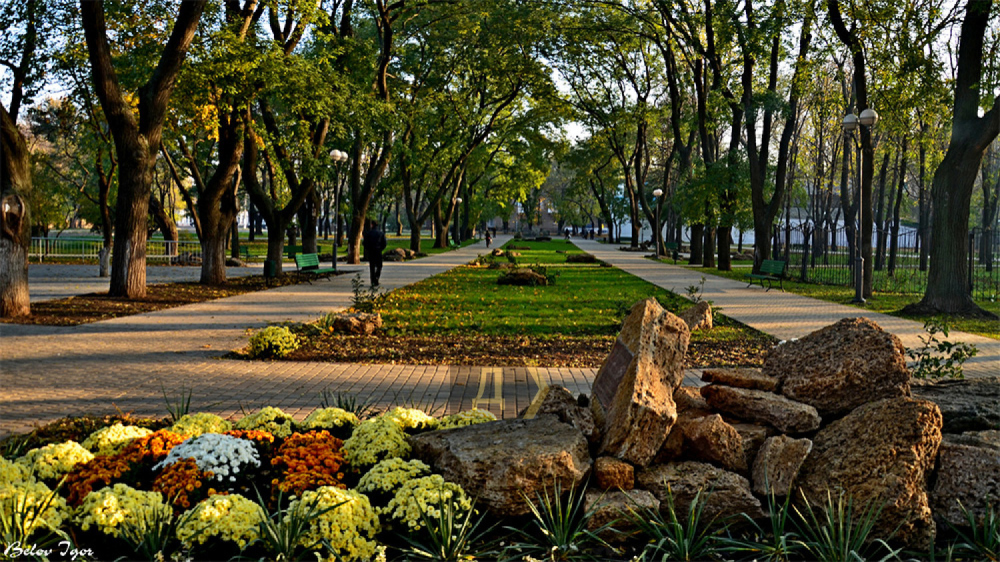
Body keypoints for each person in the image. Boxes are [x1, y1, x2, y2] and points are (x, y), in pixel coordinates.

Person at [362, 219, 387, 286]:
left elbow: (364, 243)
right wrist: (380, 248)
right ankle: (376, 277)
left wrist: (368, 249)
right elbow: (384, 243)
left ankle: (373, 280)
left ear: (371, 225)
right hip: (378, 251)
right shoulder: (381, 233)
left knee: (372, 267)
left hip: (371, 251)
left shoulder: (368, 233)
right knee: (379, 266)